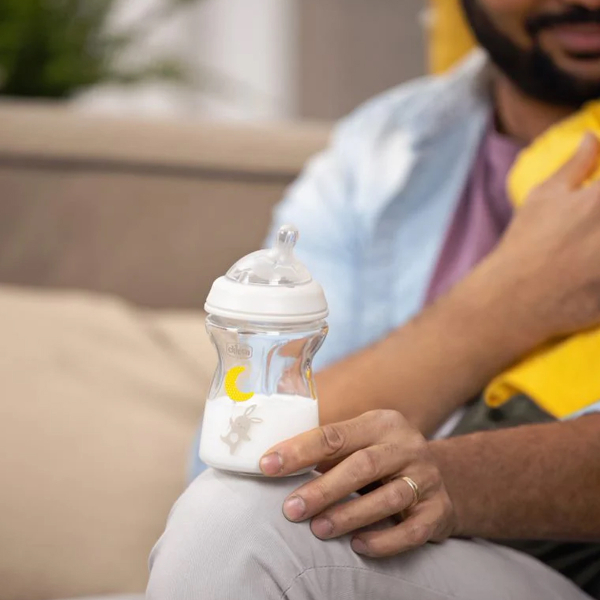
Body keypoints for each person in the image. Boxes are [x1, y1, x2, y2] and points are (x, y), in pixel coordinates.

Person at [147, 1, 600, 598]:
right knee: (229, 515)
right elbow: (237, 460)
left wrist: (454, 480)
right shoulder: (385, 144)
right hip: (420, 564)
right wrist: (503, 305)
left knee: (236, 527)